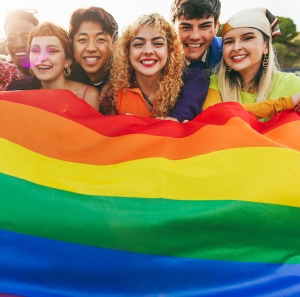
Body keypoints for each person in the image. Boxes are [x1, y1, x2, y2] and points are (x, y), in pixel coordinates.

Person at [99, 13, 210, 120]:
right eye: (138, 44)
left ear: (169, 51)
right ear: (127, 52)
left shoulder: (184, 86)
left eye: (157, 43)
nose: (148, 51)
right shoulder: (112, 95)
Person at [201, 7, 300, 119]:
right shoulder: (214, 83)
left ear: (266, 46)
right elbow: (214, 114)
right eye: (229, 42)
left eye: (247, 38)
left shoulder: (293, 84)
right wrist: (285, 104)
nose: (236, 47)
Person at [25, 22, 99, 110]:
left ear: (67, 61)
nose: (41, 58)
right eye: (35, 50)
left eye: (52, 51)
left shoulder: (88, 95)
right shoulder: (27, 100)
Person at [170, 0, 222, 72]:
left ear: (216, 28)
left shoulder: (230, 57)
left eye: (204, 26)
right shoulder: (159, 60)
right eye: (185, 27)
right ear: (172, 29)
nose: (195, 37)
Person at [4, 9, 39, 76]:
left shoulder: (55, 74)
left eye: (26, 37)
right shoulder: (3, 74)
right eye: (11, 38)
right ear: (6, 44)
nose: (19, 44)